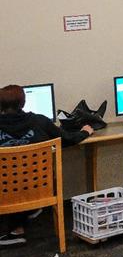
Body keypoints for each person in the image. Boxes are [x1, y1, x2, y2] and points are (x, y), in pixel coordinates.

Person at [0, 85, 95, 246]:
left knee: (13, 180)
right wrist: (85, 131)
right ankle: (30, 210)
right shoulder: (40, 121)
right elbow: (67, 139)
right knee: (26, 179)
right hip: (40, 187)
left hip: (5, 191)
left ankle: (18, 226)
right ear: (23, 103)